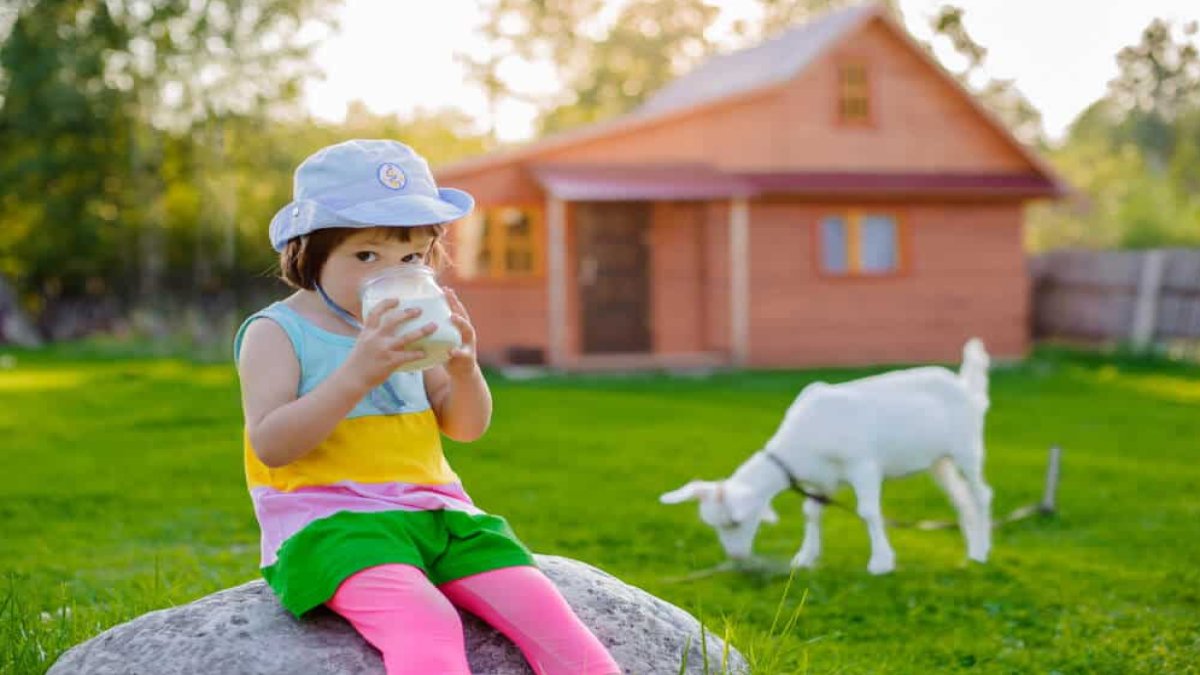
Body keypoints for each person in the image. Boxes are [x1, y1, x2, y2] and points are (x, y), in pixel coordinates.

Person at [234, 139, 620, 675]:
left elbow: (465, 427)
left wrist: (464, 370)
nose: (390, 273)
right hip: (331, 523)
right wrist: (357, 373)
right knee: (426, 620)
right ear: (308, 251)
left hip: (438, 514)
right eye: (366, 256)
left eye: (411, 258)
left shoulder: (416, 323)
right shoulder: (278, 332)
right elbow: (272, 445)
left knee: (547, 614)